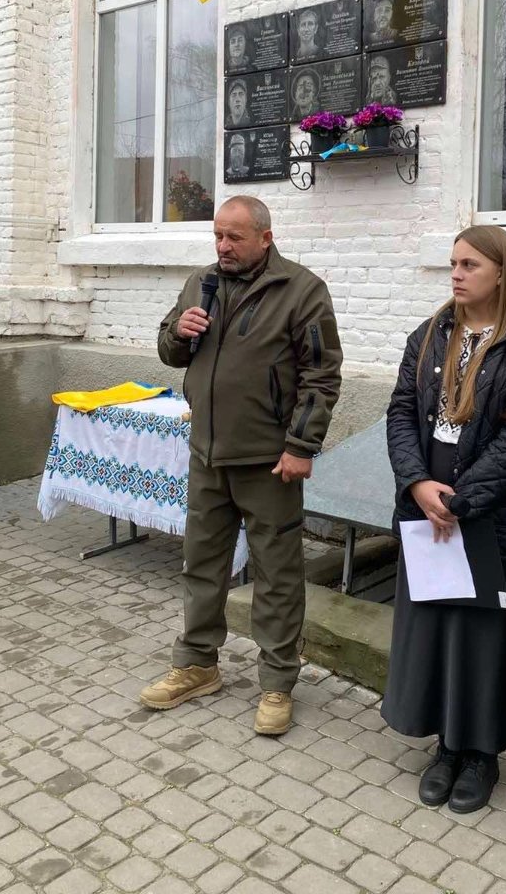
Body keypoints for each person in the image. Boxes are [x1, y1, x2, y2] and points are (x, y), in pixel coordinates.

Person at [142, 196, 343, 735]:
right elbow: (169, 351)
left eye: (234, 237)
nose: (223, 247)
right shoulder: (200, 282)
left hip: (268, 461)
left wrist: (301, 446)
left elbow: (321, 375)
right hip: (207, 454)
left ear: (265, 237)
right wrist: (177, 333)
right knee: (201, 564)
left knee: (277, 574)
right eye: (217, 236)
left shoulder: (301, 290)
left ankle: (277, 682)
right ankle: (197, 664)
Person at [382, 226, 506, 814]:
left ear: (502, 273)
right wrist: (417, 483)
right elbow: (401, 413)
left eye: (469, 265)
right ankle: (447, 745)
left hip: (492, 512)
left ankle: (482, 754)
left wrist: (460, 503)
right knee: (439, 624)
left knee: (485, 635)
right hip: (427, 502)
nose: (455, 274)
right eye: (453, 263)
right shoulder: (431, 333)